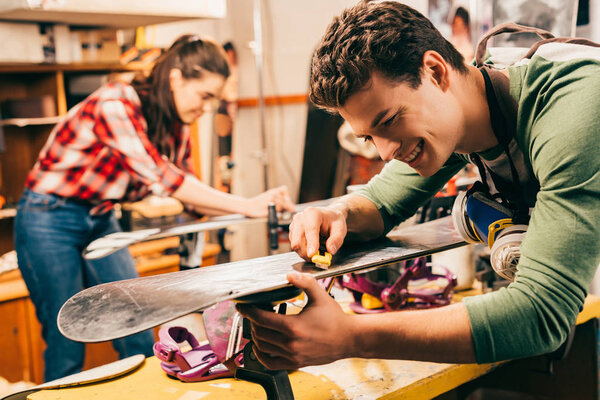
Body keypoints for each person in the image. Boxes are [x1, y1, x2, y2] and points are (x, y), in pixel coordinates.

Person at [237, 1, 600, 370]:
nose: (386, 152)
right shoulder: (468, 112)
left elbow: (541, 314)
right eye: (369, 138)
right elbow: (380, 203)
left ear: (435, 72)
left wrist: (349, 336)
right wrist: (336, 214)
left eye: (390, 120)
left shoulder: (570, 105)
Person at [15, 35, 294, 381]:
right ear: (176, 78)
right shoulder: (115, 102)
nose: (207, 108)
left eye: (215, 100)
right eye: (205, 96)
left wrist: (261, 204)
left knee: (134, 322)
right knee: (65, 340)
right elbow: (167, 181)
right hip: (48, 216)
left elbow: (193, 201)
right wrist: (249, 205)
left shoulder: (174, 125)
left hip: (101, 217)